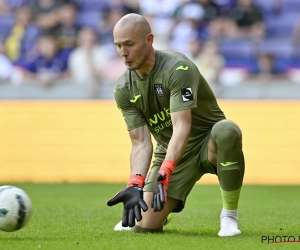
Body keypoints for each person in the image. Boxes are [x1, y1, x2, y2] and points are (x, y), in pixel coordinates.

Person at [107, 13, 245, 237]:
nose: (123, 53)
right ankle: (164, 210)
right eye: (118, 46)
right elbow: (141, 143)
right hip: (169, 151)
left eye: (129, 44)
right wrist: (135, 183)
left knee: (227, 129)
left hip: (206, 141)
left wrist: (165, 171)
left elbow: (182, 127)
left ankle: (229, 216)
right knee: (143, 227)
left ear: (149, 40)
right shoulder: (123, 88)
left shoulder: (177, 68)